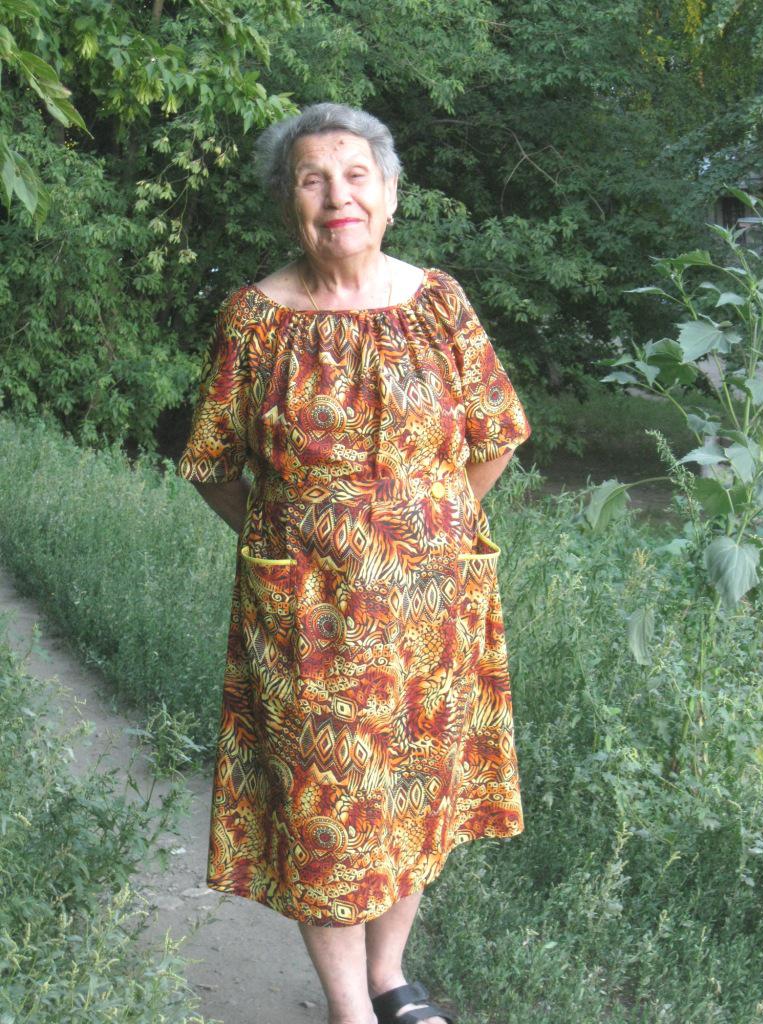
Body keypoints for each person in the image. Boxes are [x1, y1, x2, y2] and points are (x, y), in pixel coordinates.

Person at [177, 102, 532, 1024]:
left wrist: (426, 531)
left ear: (391, 194)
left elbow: (497, 433)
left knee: (413, 791)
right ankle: (351, 1009)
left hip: (433, 610)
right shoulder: (256, 319)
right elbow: (210, 462)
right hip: (307, 617)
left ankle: (391, 978)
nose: (338, 195)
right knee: (325, 808)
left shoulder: (438, 302)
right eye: (313, 179)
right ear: (288, 203)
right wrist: (290, 538)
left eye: (356, 175)